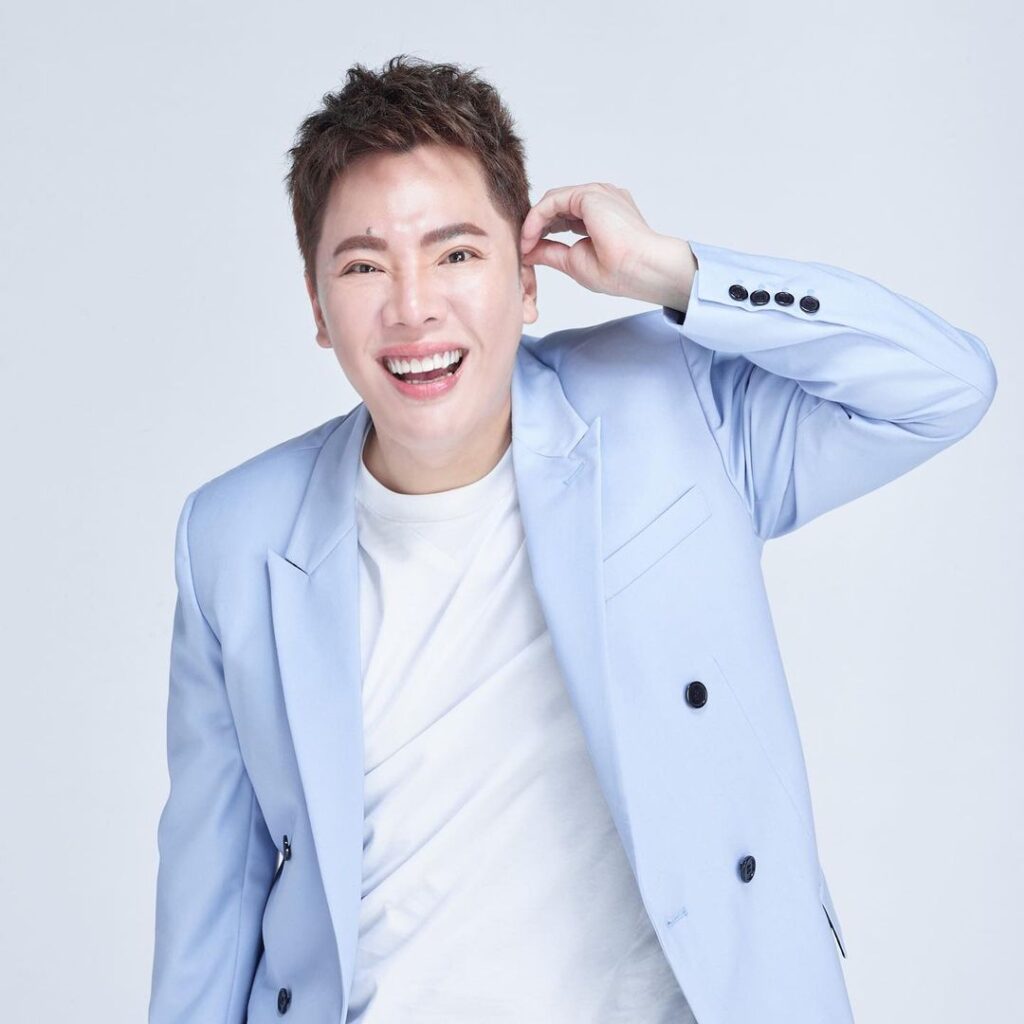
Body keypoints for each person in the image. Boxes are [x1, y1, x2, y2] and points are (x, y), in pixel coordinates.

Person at [148, 54, 997, 1024]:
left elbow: (941, 388)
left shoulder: (669, 408)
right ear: (316, 305)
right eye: (363, 265)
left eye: (455, 254)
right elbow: (210, 911)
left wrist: (673, 271)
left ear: (526, 279)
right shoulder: (233, 538)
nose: (412, 305)